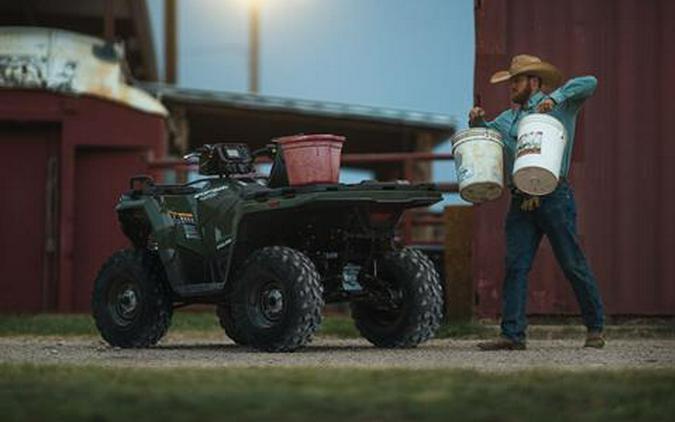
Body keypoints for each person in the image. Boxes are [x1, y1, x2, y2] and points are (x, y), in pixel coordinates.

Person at [469, 54, 605, 350]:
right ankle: (512, 335)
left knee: (572, 264)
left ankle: (595, 327)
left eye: (516, 81)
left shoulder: (563, 105)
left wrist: (556, 98)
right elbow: (487, 137)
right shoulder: (508, 118)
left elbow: (590, 83)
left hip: (554, 196)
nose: (512, 87)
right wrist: (478, 122)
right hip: (521, 199)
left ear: (533, 81)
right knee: (516, 266)